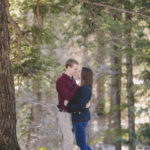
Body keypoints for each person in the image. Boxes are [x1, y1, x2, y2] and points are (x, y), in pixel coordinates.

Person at [64, 67, 93, 150]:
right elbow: (81, 103)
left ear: (85, 75)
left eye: (80, 71)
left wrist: (68, 104)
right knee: (81, 143)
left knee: (81, 144)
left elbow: (80, 106)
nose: (78, 72)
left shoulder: (86, 89)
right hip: (79, 118)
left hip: (81, 118)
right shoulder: (82, 88)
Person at [56, 58, 82, 150]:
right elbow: (68, 96)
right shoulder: (60, 80)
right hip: (64, 114)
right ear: (68, 67)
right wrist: (78, 86)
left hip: (72, 114)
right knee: (69, 140)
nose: (76, 71)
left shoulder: (73, 80)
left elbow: (75, 96)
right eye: (75, 69)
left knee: (71, 139)